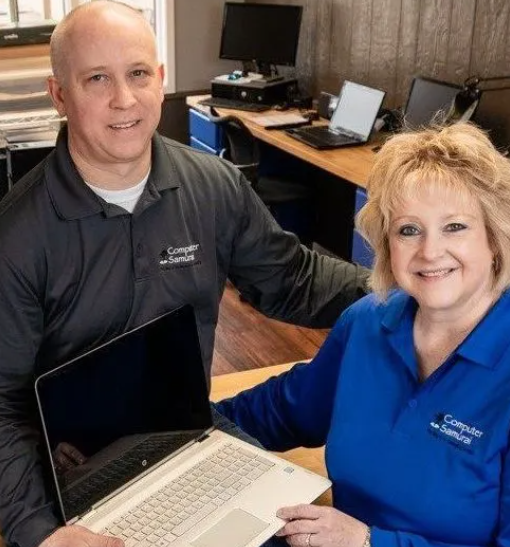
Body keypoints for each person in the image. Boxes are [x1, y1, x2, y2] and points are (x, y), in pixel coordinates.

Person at [0, 2, 370, 546]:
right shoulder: (17, 236)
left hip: (192, 438)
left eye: (138, 74)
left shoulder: (212, 187)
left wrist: (402, 287)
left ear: (161, 79)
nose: (123, 100)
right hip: (72, 483)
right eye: (97, 78)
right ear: (60, 95)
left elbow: (294, 280)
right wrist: (41, 533)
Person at [217, 123, 510, 547]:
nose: (429, 252)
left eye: (455, 227)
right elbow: (284, 410)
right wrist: (183, 427)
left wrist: (370, 541)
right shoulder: (368, 322)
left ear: (496, 237)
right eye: (408, 230)